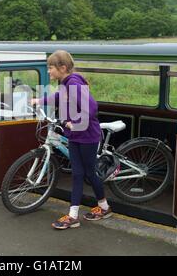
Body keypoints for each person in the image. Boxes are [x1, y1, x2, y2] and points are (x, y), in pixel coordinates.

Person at [31, 50, 112, 230]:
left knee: (89, 173)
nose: (49, 71)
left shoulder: (73, 83)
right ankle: (75, 215)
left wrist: (74, 123)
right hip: (76, 136)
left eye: (50, 67)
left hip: (87, 136)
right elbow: (59, 97)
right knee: (78, 174)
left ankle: (104, 207)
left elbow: (91, 108)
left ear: (63, 67)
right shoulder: (67, 83)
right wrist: (40, 100)